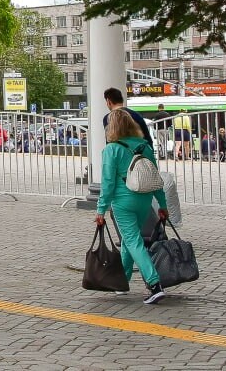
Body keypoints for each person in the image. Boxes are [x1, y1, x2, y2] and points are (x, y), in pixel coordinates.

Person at [95, 108, 169, 305]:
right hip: (144, 199)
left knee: (133, 241)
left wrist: (101, 209)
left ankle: (154, 284)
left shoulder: (111, 149)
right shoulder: (145, 146)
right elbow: (155, 177)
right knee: (129, 241)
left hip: (123, 202)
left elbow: (108, 183)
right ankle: (122, 281)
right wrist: (162, 204)